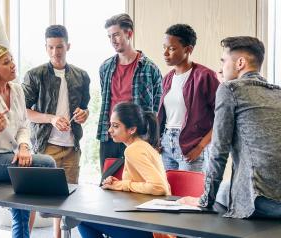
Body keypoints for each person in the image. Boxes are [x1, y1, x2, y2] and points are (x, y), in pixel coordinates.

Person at [178, 36, 281, 218]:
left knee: (208, 201)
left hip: (261, 201)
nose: (220, 68)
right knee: (226, 187)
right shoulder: (278, 93)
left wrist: (203, 201)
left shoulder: (230, 89)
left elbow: (219, 151)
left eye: (223, 61)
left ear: (240, 63)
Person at [0, 43, 56, 238]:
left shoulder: (16, 90)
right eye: (6, 63)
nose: (13, 65)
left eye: (12, 60)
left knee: (25, 190)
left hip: (9, 155)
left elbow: (23, 126)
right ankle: (46, 206)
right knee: (46, 163)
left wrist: (24, 147)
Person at [22, 25, 90, 238]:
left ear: (67, 46)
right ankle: (25, 235)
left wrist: (83, 114)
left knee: (66, 198)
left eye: (59, 46)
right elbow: (24, 111)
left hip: (72, 146)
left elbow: (85, 108)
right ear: (45, 47)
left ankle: (58, 236)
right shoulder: (35, 75)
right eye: (50, 47)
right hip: (44, 146)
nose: (55, 52)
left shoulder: (81, 76)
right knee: (34, 197)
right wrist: (51, 119)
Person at [78, 102, 171, 238]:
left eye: (115, 126)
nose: (110, 130)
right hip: (154, 223)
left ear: (132, 129)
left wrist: (123, 185)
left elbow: (159, 187)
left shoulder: (134, 150)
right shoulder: (143, 146)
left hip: (151, 229)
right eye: (111, 125)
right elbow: (143, 183)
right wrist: (118, 184)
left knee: (82, 218)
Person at [97, 13, 162, 173]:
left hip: (137, 138)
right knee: (108, 183)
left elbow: (156, 109)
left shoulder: (149, 68)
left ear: (129, 34)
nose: (113, 40)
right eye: (109, 36)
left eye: (117, 35)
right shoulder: (105, 68)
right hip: (110, 136)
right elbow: (105, 102)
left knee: (137, 185)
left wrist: (153, 140)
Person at [158, 24, 219, 172]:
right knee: (170, 193)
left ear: (188, 49)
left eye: (171, 49)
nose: (165, 53)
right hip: (166, 144)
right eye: (164, 47)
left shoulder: (205, 76)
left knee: (189, 194)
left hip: (192, 145)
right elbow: (164, 115)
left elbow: (222, 117)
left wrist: (201, 147)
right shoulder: (167, 79)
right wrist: (158, 139)